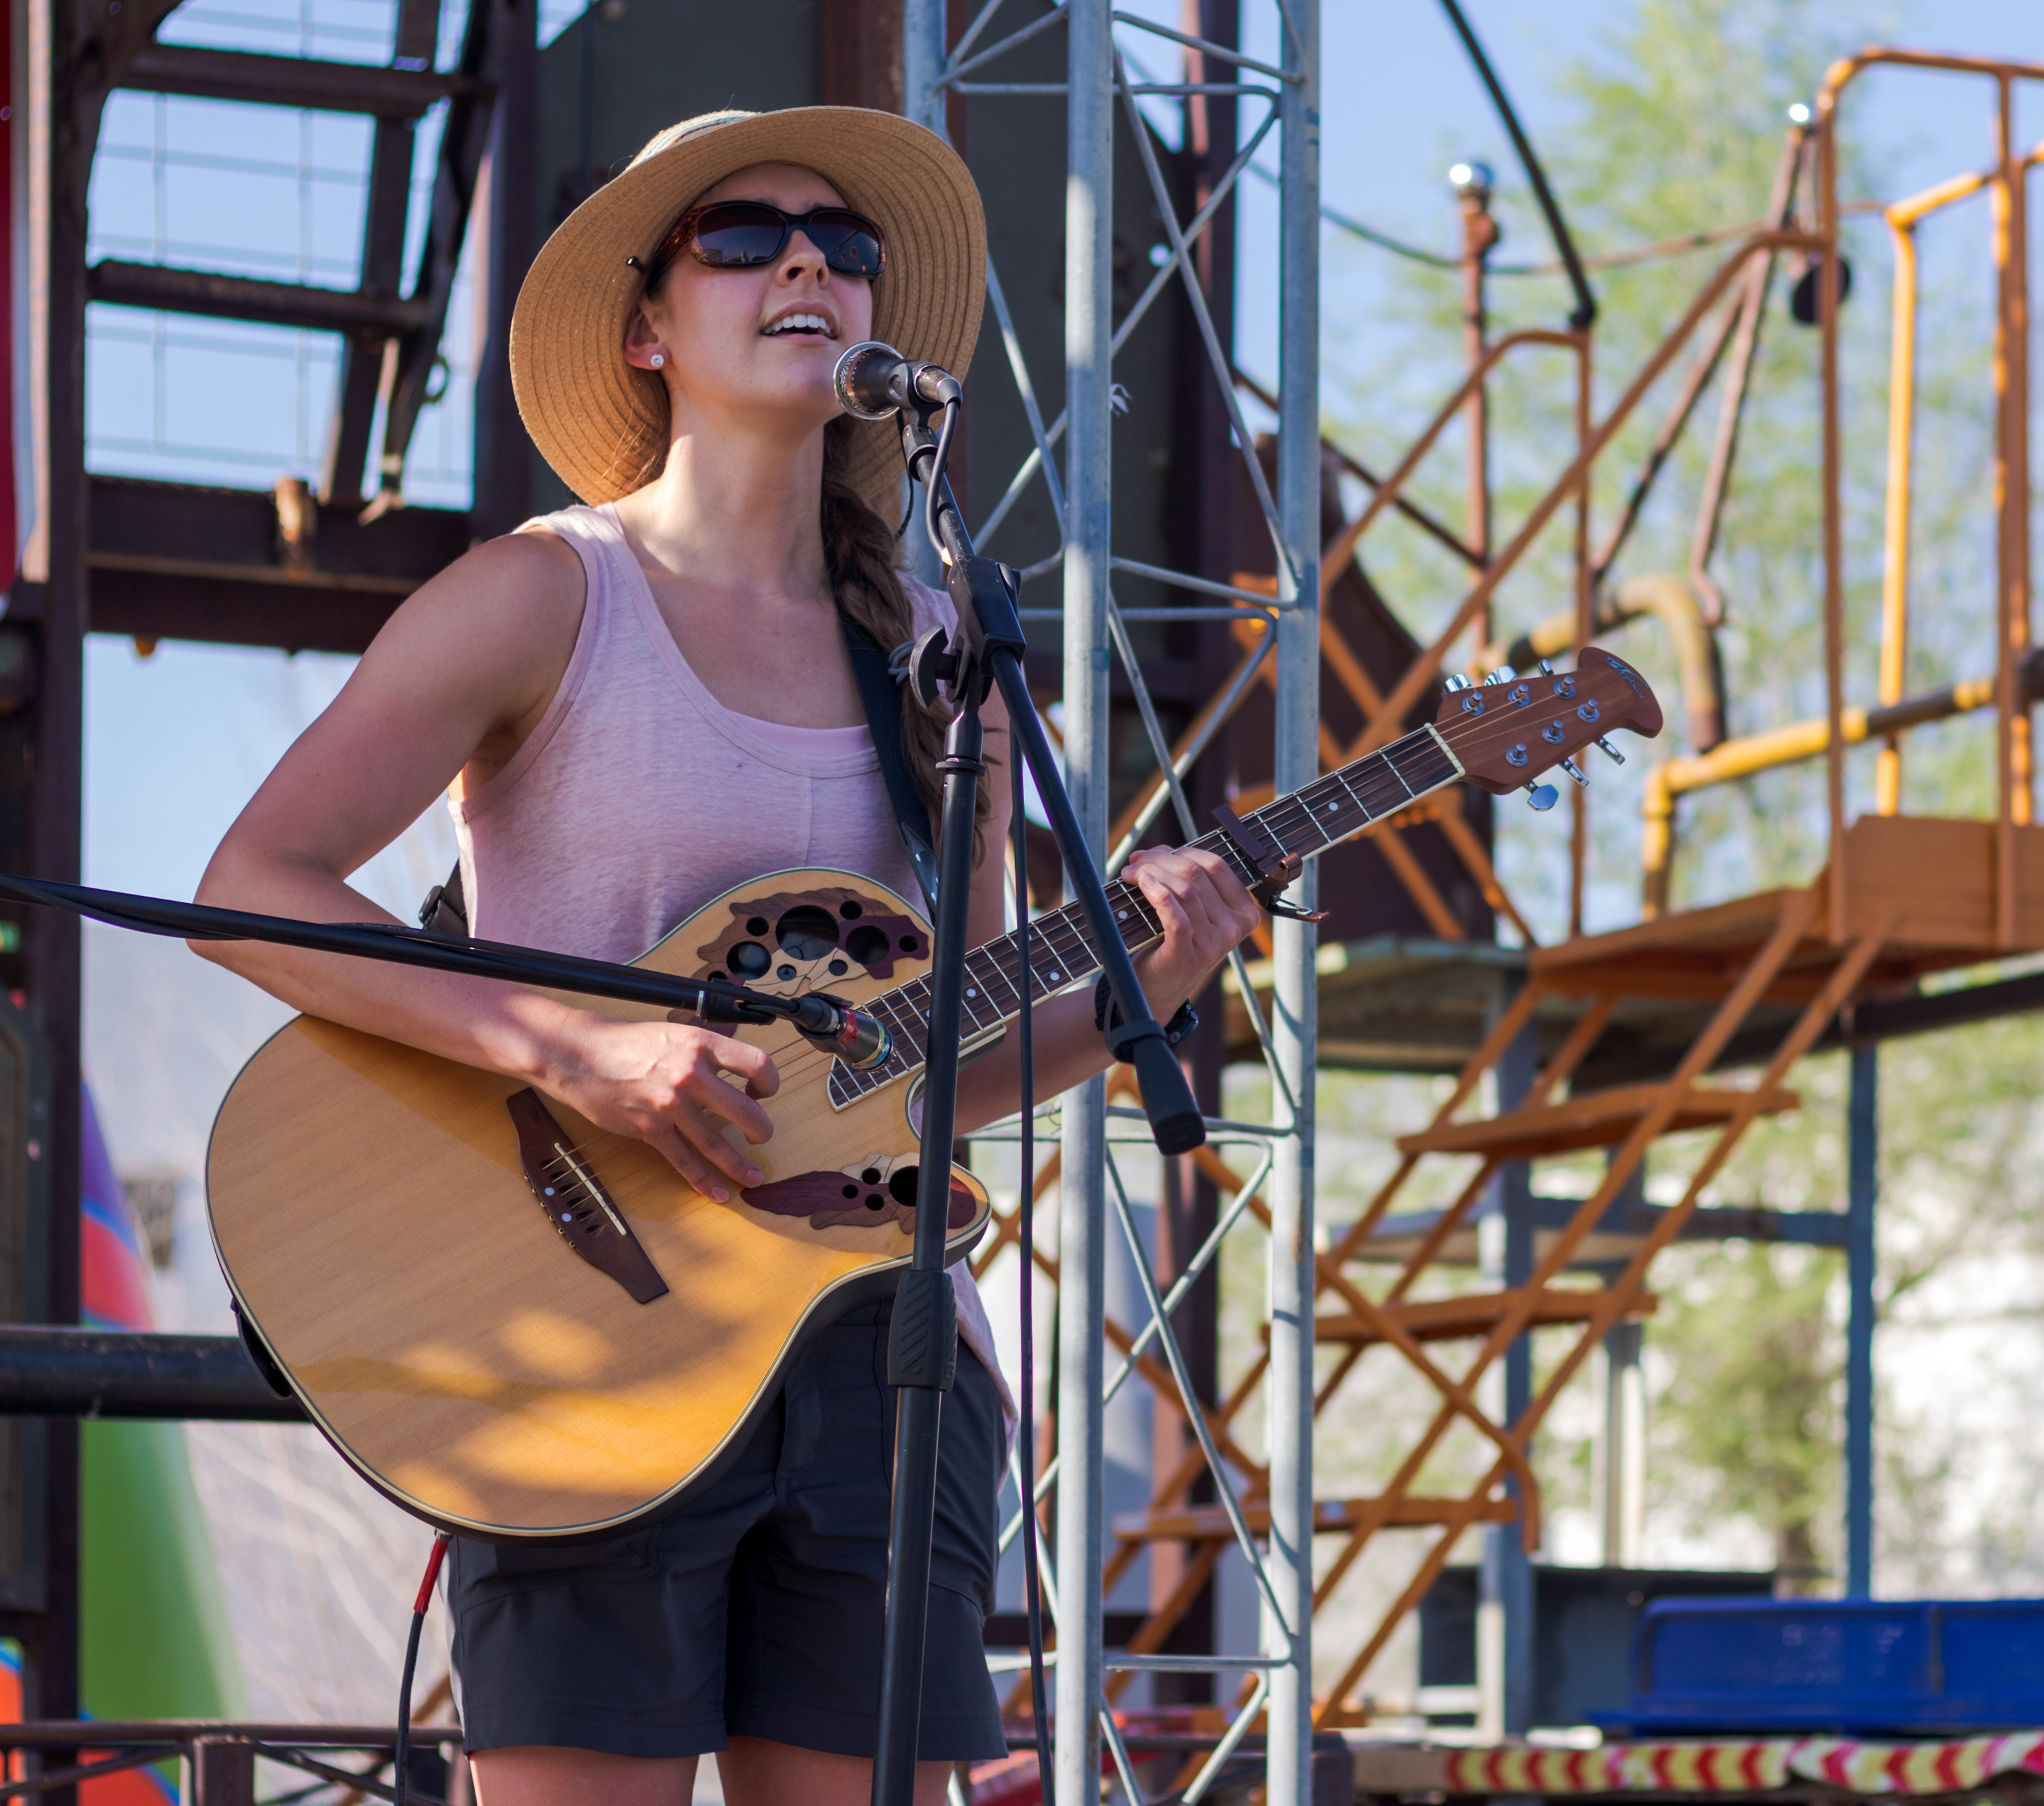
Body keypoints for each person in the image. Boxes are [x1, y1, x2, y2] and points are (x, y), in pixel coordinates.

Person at [191, 107, 1260, 1806]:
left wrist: (1153, 984)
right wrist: (575, 1050)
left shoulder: (942, 652)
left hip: (879, 1349)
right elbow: (252, 883)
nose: (808, 260)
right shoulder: (543, 593)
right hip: (577, 1322)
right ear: (647, 330)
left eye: (844, 243)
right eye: (746, 237)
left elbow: (942, 1067)